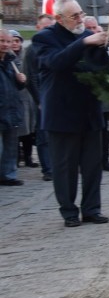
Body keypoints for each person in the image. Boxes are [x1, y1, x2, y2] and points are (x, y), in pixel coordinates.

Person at [31, 0, 109, 227]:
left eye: (81, 13)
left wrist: (108, 50)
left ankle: (92, 209)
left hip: (90, 112)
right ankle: (68, 211)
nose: (80, 19)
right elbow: (56, 62)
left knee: (92, 166)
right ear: (58, 18)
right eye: (74, 16)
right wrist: (84, 43)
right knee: (65, 168)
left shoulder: (87, 36)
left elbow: (99, 67)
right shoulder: (44, 38)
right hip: (61, 115)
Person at [81, 17, 109, 172]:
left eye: (95, 28)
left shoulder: (107, 48)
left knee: (103, 132)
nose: (92, 31)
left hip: (104, 99)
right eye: (88, 28)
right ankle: (84, 163)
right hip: (84, 101)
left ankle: (104, 160)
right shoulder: (80, 49)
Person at [23, 13, 54, 181]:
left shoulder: (54, 46)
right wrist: (40, 100)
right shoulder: (32, 49)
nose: (48, 30)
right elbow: (31, 77)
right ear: (38, 28)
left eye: (51, 27)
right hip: (41, 99)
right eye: (45, 27)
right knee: (43, 135)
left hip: (54, 96)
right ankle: (47, 169)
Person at [8, 30, 39, 170]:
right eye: (12, 41)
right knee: (16, 131)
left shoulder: (25, 55)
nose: (14, 44)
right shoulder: (7, 58)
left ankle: (28, 157)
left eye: (17, 41)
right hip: (13, 99)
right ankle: (14, 159)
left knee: (28, 129)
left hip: (27, 98)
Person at [0, 29, 26, 186]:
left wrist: (21, 80)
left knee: (10, 146)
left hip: (11, 108)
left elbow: (17, 87)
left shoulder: (10, 61)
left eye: (8, 41)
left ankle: (8, 175)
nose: (5, 44)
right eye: (2, 41)